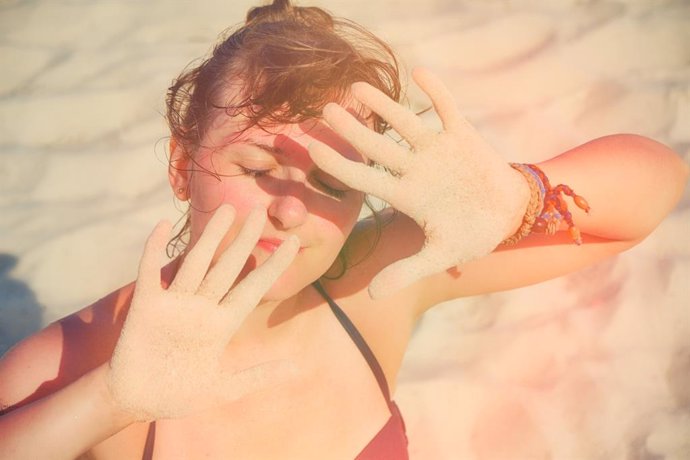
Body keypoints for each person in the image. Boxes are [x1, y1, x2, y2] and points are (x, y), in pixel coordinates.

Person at [0, 0, 687, 459]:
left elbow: (652, 190)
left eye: (332, 182)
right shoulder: (72, 363)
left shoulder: (365, 282)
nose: (294, 210)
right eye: (259, 165)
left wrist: (517, 199)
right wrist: (109, 401)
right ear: (183, 166)